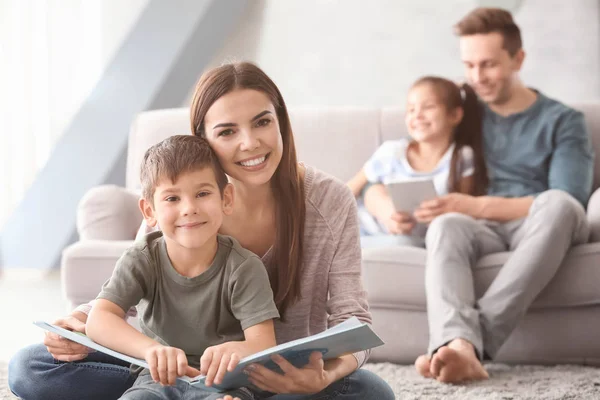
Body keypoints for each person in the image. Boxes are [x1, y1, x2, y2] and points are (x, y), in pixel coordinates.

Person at [8, 62, 395, 400]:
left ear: (281, 121)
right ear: (203, 139)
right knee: (31, 366)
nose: (250, 142)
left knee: (369, 391)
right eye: (227, 131)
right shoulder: (184, 204)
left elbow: (353, 319)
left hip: (273, 376)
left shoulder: (330, 200)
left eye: (262, 121)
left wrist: (325, 375)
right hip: (169, 370)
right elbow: (127, 291)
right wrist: (77, 323)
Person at [382, 8, 592, 383]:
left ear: (518, 59)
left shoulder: (563, 121)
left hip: (543, 224)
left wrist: (474, 204)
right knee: (447, 224)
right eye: (469, 65)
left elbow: (569, 199)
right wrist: (388, 209)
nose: (477, 78)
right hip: (482, 229)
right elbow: (389, 164)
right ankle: (459, 346)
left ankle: (472, 339)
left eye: (489, 65)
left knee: (559, 203)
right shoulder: (465, 111)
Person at [85, 135, 281, 400]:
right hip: (157, 379)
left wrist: (236, 350)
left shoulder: (244, 267)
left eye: (202, 194)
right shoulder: (143, 258)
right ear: (149, 210)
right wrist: (151, 350)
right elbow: (99, 319)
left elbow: (264, 343)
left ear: (226, 198)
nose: (189, 208)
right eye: (172, 198)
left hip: (225, 383)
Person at [347, 76, 488, 248]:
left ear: (454, 115)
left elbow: (465, 206)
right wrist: (386, 213)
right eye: (411, 109)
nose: (418, 115)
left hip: (417, 240)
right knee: (402, 243)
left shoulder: (462, 158)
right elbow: (348, 191)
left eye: (428, 107)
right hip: (367, 232)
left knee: (406, 243)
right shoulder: (392, 152)